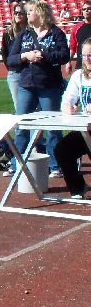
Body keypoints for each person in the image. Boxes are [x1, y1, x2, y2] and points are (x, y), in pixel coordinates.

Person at [7, 0, 70, 178]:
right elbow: (10, 60)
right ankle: (17, 163)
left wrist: (44, 55)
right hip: (26, 86)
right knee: (21, 125)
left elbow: (64, 55)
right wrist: (25, 56)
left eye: (30, 11)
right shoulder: (24, 34)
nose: (27, 14)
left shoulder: (56, 33)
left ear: (41, 12)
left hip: (49, 86)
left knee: (52, 127)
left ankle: (55, 165)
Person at [55, 38, 91, 198]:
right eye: (84, 55)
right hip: (86, 130)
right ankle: (78, 188)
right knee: (62, 150)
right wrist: (67, 107)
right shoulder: (78, 76)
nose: (87, 59)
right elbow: (67, 98)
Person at [1, 3, 28, 110]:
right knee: (19, 108)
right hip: (14, 73)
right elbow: (4, 53)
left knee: (33, 107)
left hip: (28, 72)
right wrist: (10, 68)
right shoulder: (8, 33)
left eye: (20, 13)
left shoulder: (30, 31)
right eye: (16, 13)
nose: (18, 15)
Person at [67, 0, 91, 72]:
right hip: (81, 66)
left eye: (89, 8)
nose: (86, 11)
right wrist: (68, 62)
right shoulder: (77, 27)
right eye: (84, 9)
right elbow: (72, 47)